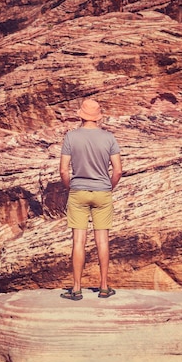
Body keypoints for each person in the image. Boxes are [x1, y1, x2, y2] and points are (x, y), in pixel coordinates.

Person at [59, 99, 122, 300]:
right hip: (103, 192)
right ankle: (103, 287)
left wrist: (70, 187)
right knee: (102, 240)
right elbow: (118, 170)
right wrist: (108, 187)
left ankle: (76, 289)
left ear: (81, 115)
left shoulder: (71, 137)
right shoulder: (109, 138)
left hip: (78, 192)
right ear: (98, 117)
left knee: (79, 241)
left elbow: (63, 169)